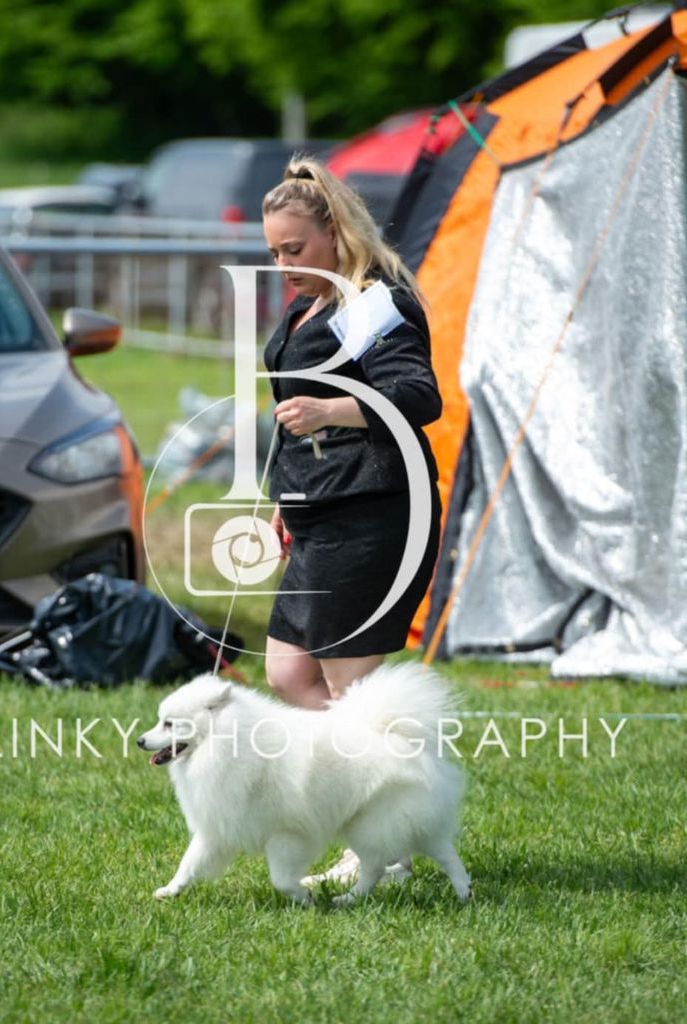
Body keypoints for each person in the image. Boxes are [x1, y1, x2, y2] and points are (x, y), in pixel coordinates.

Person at [260, 156, 443, 887]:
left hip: (375, 512)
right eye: (273, 254)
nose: (283, 266)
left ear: (334, 233)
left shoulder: (374, 301)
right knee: (287, 672)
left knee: (348, 696)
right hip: (320, 512)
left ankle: (384, 851)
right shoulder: (308, 305)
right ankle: (397, 795)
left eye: (294, 250)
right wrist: (284, 499)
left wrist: (332, 409)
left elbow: (418, 395)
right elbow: (292, 417)